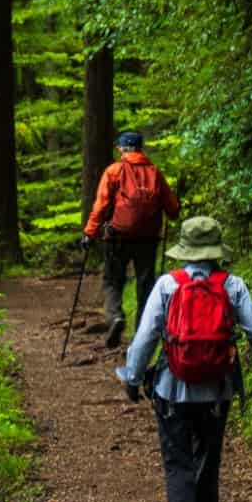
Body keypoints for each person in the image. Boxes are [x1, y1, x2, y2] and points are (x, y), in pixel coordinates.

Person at [116, 216, 252, 502]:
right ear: (215, 251)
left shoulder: (167, 285)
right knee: (208, 462)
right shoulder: (232, 285)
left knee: (177, 462)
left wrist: (133, 378)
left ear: (186, 251)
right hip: (217, 390)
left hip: (171, 389)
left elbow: (146, 337)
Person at [80, 130, 180, 348]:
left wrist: (89, 233)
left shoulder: (114, 171)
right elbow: (173, 209)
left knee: (113, 280)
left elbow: (101, 205)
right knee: (145, 284)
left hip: (118, 236)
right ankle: (141, 336)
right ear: (141, 149)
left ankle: (116, 316)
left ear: (122, 149)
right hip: (148, 239)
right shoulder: (155, 172)